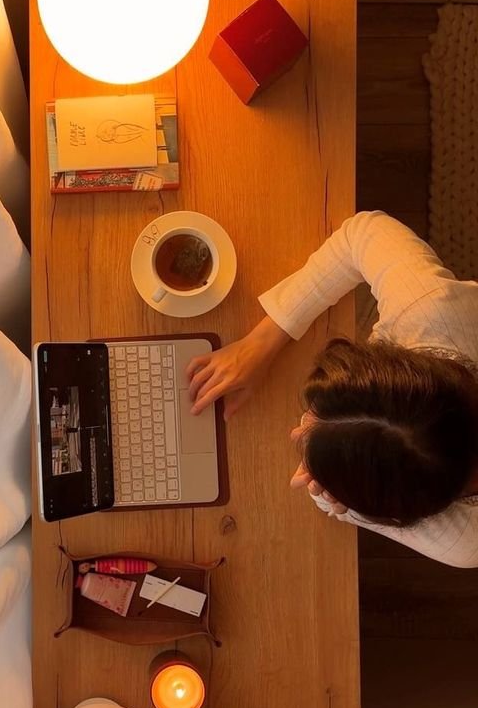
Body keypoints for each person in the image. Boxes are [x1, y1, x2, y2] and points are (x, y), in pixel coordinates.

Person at [186, 211, 478, 567]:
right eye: (314, 416)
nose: (300, 428)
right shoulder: (431, 314)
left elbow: (347, 509)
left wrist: (329, 495)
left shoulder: (466, 541)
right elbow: (363, 233)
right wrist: (263, 341)